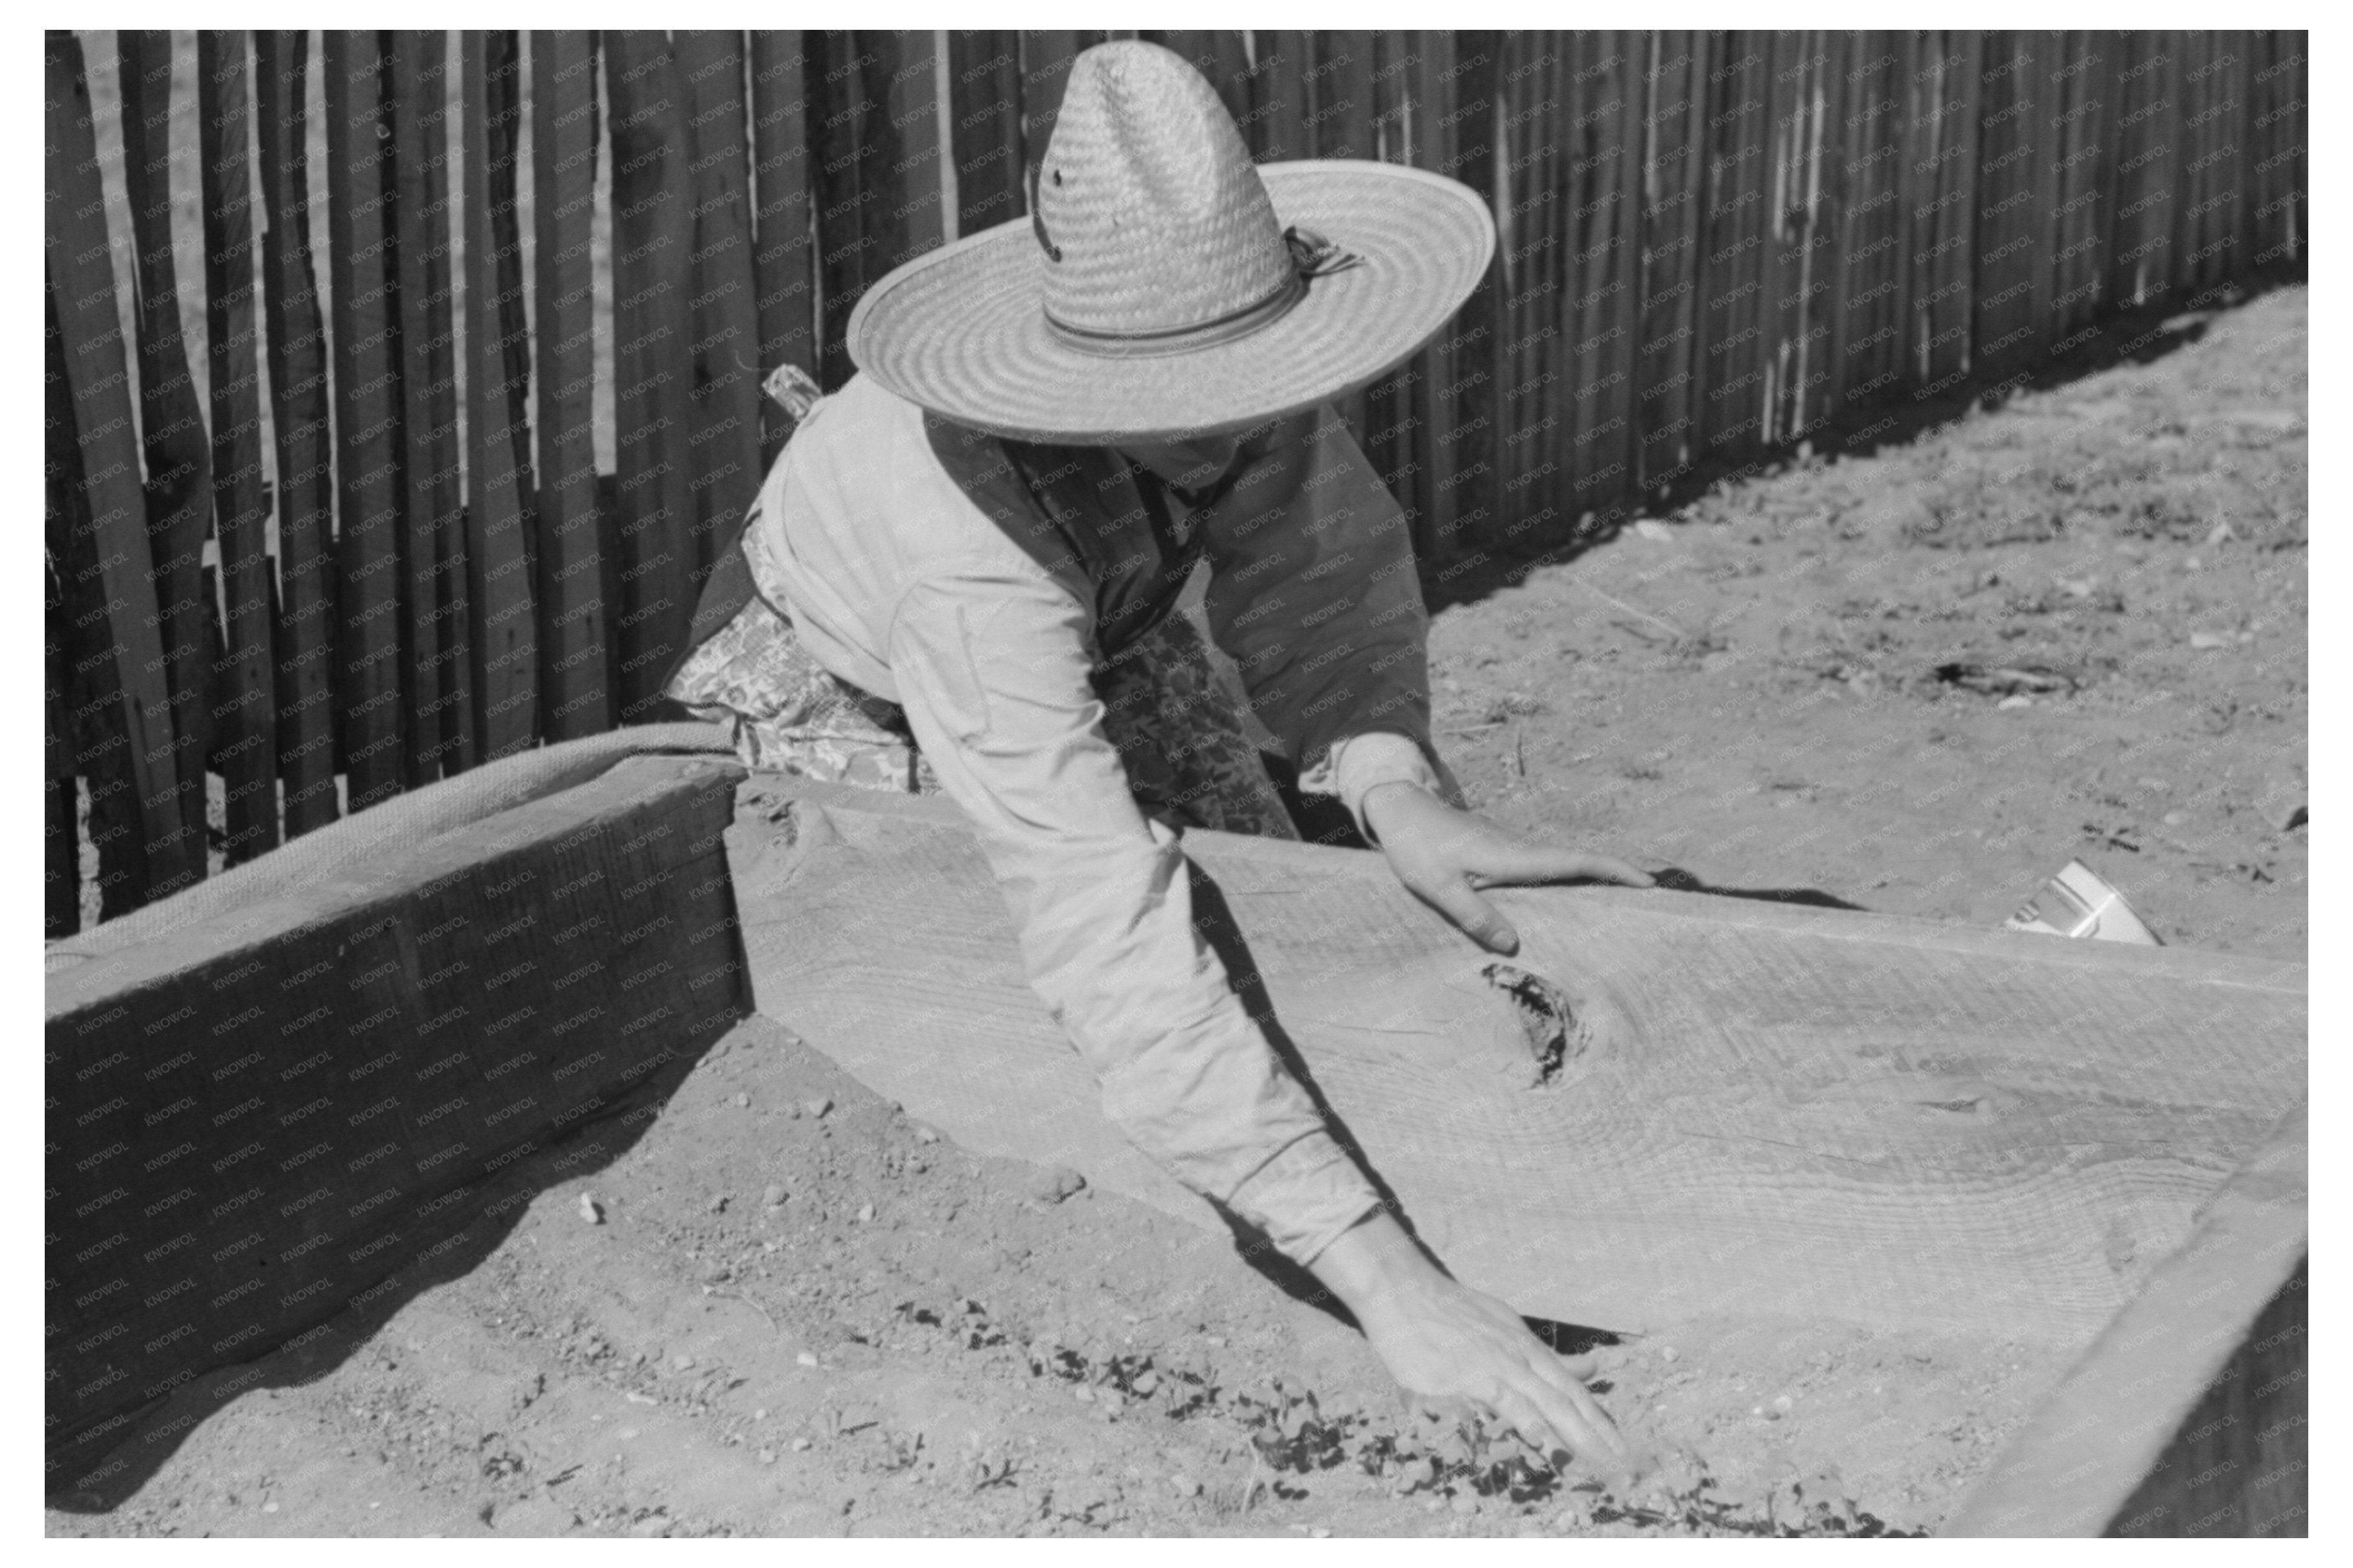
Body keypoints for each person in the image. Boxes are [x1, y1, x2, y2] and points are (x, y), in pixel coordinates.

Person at [666, 40, 1651, 1477]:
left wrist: (1395, 787)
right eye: (1207, 399)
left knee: (1275, 903)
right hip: (847, 693)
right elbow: (1099, 920)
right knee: (979, 1047)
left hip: (1104, 628)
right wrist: (1393, 1289)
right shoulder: (966, 567)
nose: (1251, 412)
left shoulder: (1223, 363)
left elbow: (1324, 578)